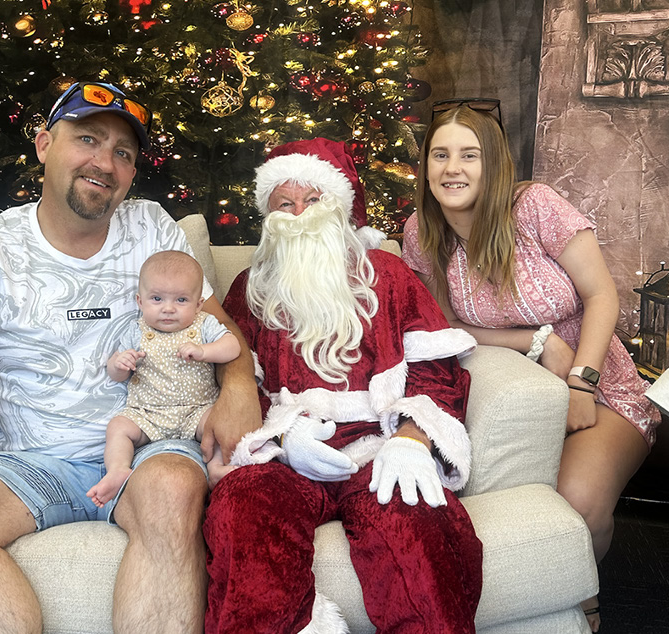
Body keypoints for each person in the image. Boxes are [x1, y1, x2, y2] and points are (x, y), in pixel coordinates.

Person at [0, 81, 260, 633]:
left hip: (152, 442)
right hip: (33, 462)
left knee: (173, 487)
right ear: (44, 145)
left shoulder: (151, 228)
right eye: (87, 138)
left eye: (123, 152)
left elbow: (219, 330)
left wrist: (241, 388)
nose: (105, 162)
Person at [401, 98, 661, 633]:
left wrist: (581, 382)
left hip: (600, 385)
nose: (452, 168)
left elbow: (602, 295)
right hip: (519, 391)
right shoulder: (421, 232)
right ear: (425, 167)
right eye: (440, 155)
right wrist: (537, 341)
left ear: (493, 163)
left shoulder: (534, 206)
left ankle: (584, 599)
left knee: (578, 502)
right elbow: (447, 326)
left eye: (469, 155)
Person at [204, 138, 483, 633]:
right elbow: (237, 383)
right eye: (284, 205)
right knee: (242, 504)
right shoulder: (250, 289)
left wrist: (412, 440)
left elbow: (437, 372)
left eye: (312, 200)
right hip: (288, 457)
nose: (298, 214)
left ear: (338, 207)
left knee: (418, 519)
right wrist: (284, 435)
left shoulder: (389, 275)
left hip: (378, 443)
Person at [87, 250, 241, 507]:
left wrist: (205, 351)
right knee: (118, 427)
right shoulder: (135, 330)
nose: (168, 309)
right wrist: (120, 363)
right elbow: (115, 374)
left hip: (196, 411)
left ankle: (215, 467)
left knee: (218, 423)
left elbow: (233, 346)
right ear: (140, 301)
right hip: (147, 414)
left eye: (181, 300)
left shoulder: (204, 324)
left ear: (198, 304)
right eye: (157, 299)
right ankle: (118, 470)